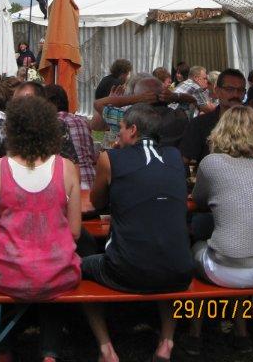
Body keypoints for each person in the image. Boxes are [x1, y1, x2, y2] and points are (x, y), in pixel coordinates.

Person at [82, 104, 193, 362]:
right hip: (179, 270)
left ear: (132, 130)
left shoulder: (110, 158)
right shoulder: (175, 157)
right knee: (164, 256)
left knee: (78, 268)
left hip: (126, 270)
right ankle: (167, 342)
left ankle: (106, 348)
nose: (118, 134)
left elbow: (97, 202)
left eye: (120, 128)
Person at [0, 96, 81, 362]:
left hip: (8, 273)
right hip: (58, 273)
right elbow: (75, 231)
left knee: (23, 282)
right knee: (49, 287)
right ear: (51, 129)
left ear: (11, 129)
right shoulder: (67, 168)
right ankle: (50, 352)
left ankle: (2, 348)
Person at [189, 106, 253, 354]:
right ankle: (242, 332)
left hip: (229, 269)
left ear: (221, 131)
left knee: (196, 244)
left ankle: (194, 334)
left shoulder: (211, 162)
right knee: (238, 245)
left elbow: (198, 199)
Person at [0, 82, 80, 190]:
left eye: (27, 105)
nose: (20, 111)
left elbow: (74, 177)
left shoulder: (58, 129)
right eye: (16, 105)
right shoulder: (1, 130)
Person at [180, 68, 253, 181]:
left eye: (240, 90)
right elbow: (182, 162)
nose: (235, 94)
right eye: (229, 89)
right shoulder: (200, 124)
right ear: (217, 91)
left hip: (252, 185)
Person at [45, 84, 97, 190]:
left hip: (70, 187)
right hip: (91, 182)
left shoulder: (51, 124)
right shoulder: (83, 122)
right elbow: (92, 156)